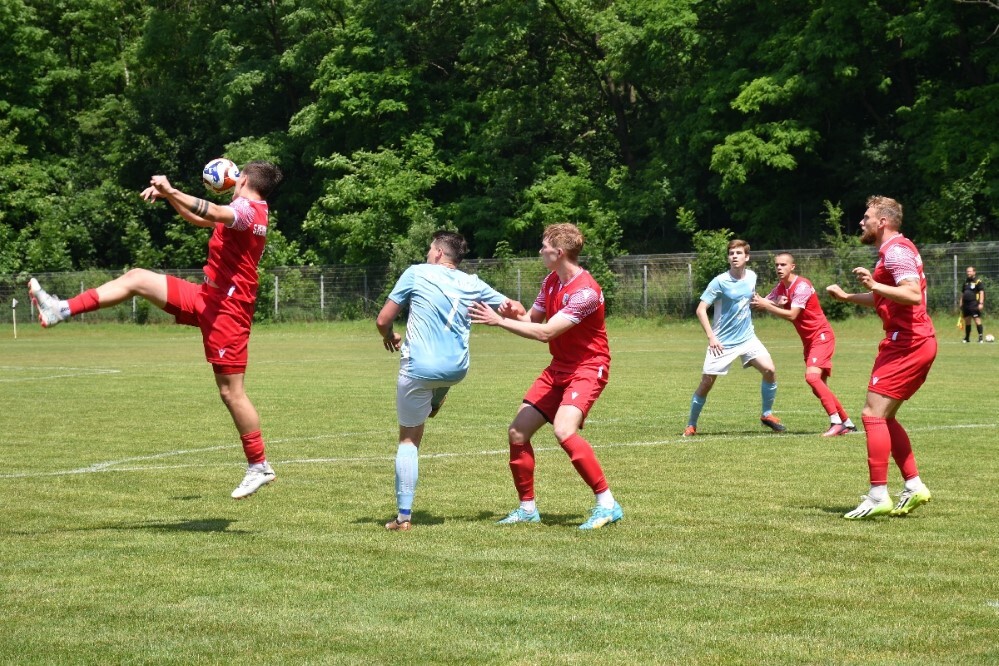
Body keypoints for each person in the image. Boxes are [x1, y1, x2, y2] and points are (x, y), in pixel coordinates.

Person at [28, 161, 283, 500]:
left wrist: (172, 189)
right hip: (208, 298)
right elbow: (200, 217)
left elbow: (215, 211)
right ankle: (60, 309)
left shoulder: (249, 211)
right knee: (136, 278)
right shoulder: (242, 208)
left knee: (231, 393)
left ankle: (259, 465)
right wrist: (168, 195)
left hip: (228, 311)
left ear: (245, 179)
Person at [469, 223, 623, 530]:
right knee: (517, 433)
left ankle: (607, 504)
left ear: (560, 252)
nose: (540, 250)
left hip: (588, 367)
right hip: (559, 367)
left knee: (564, 431)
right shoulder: (551, 280)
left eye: (544, 246)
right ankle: (527, 509)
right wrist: (514, 312)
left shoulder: (585, 292)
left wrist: (499, 322)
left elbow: (546, 332)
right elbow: (532, 320)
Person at [376, 231, 525, 532]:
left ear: (440, 254)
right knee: (437, 383)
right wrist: (516, 312)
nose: (428, 254)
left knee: (408, 441)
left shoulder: (416, 273)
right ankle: (437, 396)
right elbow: (516, 309)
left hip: (420, 368)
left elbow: (382, 320)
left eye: (430, 250)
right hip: (456, 369)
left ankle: (403, 517)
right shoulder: (472, 282)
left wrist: (389, 335)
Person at [826, 195, 936, 520]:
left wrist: (874, 283)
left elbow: (912, 293)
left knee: (871, 415)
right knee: (884, 418)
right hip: (913, 341)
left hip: (908, 343)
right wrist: (848, 297)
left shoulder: (896, 251)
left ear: (882, 222)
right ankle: (914, 485)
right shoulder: (895, 250)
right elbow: (886, 300)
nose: (861, 222)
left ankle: (877, 495)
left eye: (866, 217)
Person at [683, 239, 785, 437]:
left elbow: (752, 299)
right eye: (731, 253)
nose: (734, 256)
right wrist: (711, 337)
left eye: (738, 253)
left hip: (748, 338)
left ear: (747, 257)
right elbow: (701, 309)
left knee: (770, 370)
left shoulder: (752, 277)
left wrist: (773, 302)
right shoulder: (720, 281)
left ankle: (767, 414)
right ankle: (691, 424)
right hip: (722, 342)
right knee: (706, 382)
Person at [751, 253, 857, 436]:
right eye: (776, 265)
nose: (779, 268)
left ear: (793, 267)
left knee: (812, 378)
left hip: (821, 337)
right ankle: (847, 423)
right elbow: (762, 302)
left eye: (783, 264)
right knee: (819, 387)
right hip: (809, 341)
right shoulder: (781, 287)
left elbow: (792, 315)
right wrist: (767, 302)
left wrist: (769, 306)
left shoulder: (802, 286)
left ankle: (836, 422)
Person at [960, 266, 985, 343]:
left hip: (974, 304)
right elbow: (963, 293)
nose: (968, 273)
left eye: (970, 271)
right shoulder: (966, 282)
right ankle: (967, 338)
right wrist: (961, 303)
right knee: (967, 321)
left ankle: (980, 338)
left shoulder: (978, 281)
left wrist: (981, 303)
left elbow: (981, 292)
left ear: (974, 272)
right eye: (967, 271)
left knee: (977, 320)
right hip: (966, 305)